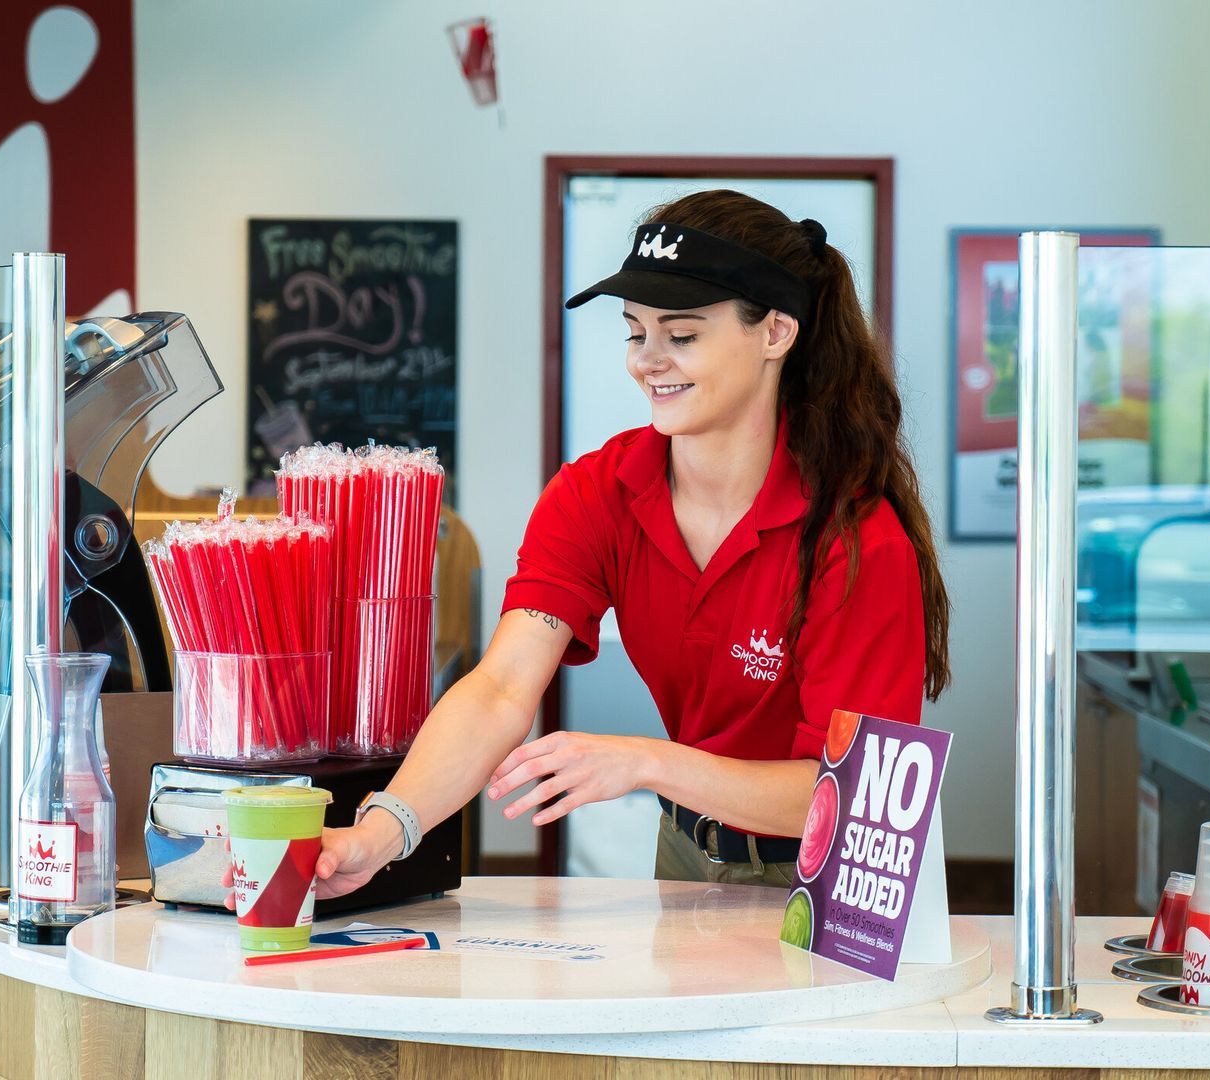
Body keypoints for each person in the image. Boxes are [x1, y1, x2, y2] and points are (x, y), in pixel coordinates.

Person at [318, 189, 951, 892]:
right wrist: (382, 832)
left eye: (681, 336)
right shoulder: (596, 495)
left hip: (834, 872)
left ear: (776, 333)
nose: (647, 361)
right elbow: (500, 687)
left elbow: (852, 795)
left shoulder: (856, 538)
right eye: (634, 331)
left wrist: (645, 762)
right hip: (684, 851)